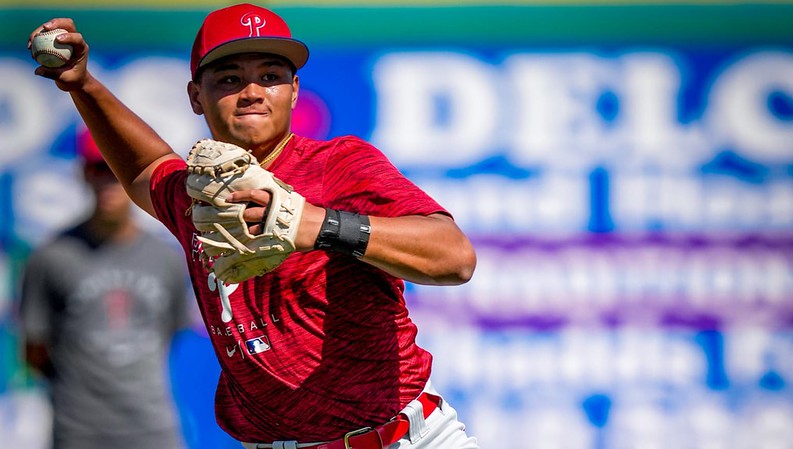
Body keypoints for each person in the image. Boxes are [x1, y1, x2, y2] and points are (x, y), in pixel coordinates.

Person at [28, 3, 479, 448]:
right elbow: (146, 167)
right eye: (229, 79)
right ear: (194, 96)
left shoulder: (338, 165)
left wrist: (317, 224)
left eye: (270, 76)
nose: (252, 91)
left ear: (294, 90)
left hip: (402, 440)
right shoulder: (199, 192)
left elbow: (454, 258)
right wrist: (83, 85)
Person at [18, 129, 191, 449]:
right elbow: (34, 351)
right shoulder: (50, 257)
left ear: (133, 175)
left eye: (117, 170)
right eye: (100, 169)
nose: (109, 181)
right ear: (84, 173)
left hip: (153, 429)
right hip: (79, 431)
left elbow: (170, 335)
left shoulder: (166, 257)